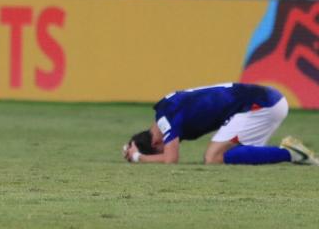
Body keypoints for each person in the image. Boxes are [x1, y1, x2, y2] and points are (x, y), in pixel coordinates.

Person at [123, 82, 318, 165]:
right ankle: (290, 154)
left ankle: (292, 154)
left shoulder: (166, 119)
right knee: (230, 156)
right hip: (267, 99)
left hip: (260, 104)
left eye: (160, 150)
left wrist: (139, 157)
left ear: (156, 144)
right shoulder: (166, 109)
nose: (165, 149)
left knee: (213, 158)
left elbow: (171, 159)